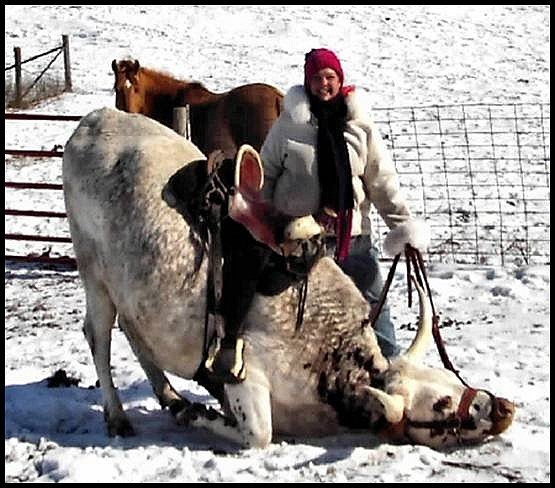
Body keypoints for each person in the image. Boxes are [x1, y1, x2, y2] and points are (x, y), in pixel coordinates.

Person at [260, 48, 430, 358]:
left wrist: (403, 227)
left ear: (340, 80)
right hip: (300, 242)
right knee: (304, 316)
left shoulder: (359, 126)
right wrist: (266, 221)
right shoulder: (287, 127)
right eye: (316, 78)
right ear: (307, 82)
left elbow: (382, 183)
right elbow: (265, 175)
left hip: (352, 238)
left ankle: (390, 369)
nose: (323, 84)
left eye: (330, 77)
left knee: (372, 306)